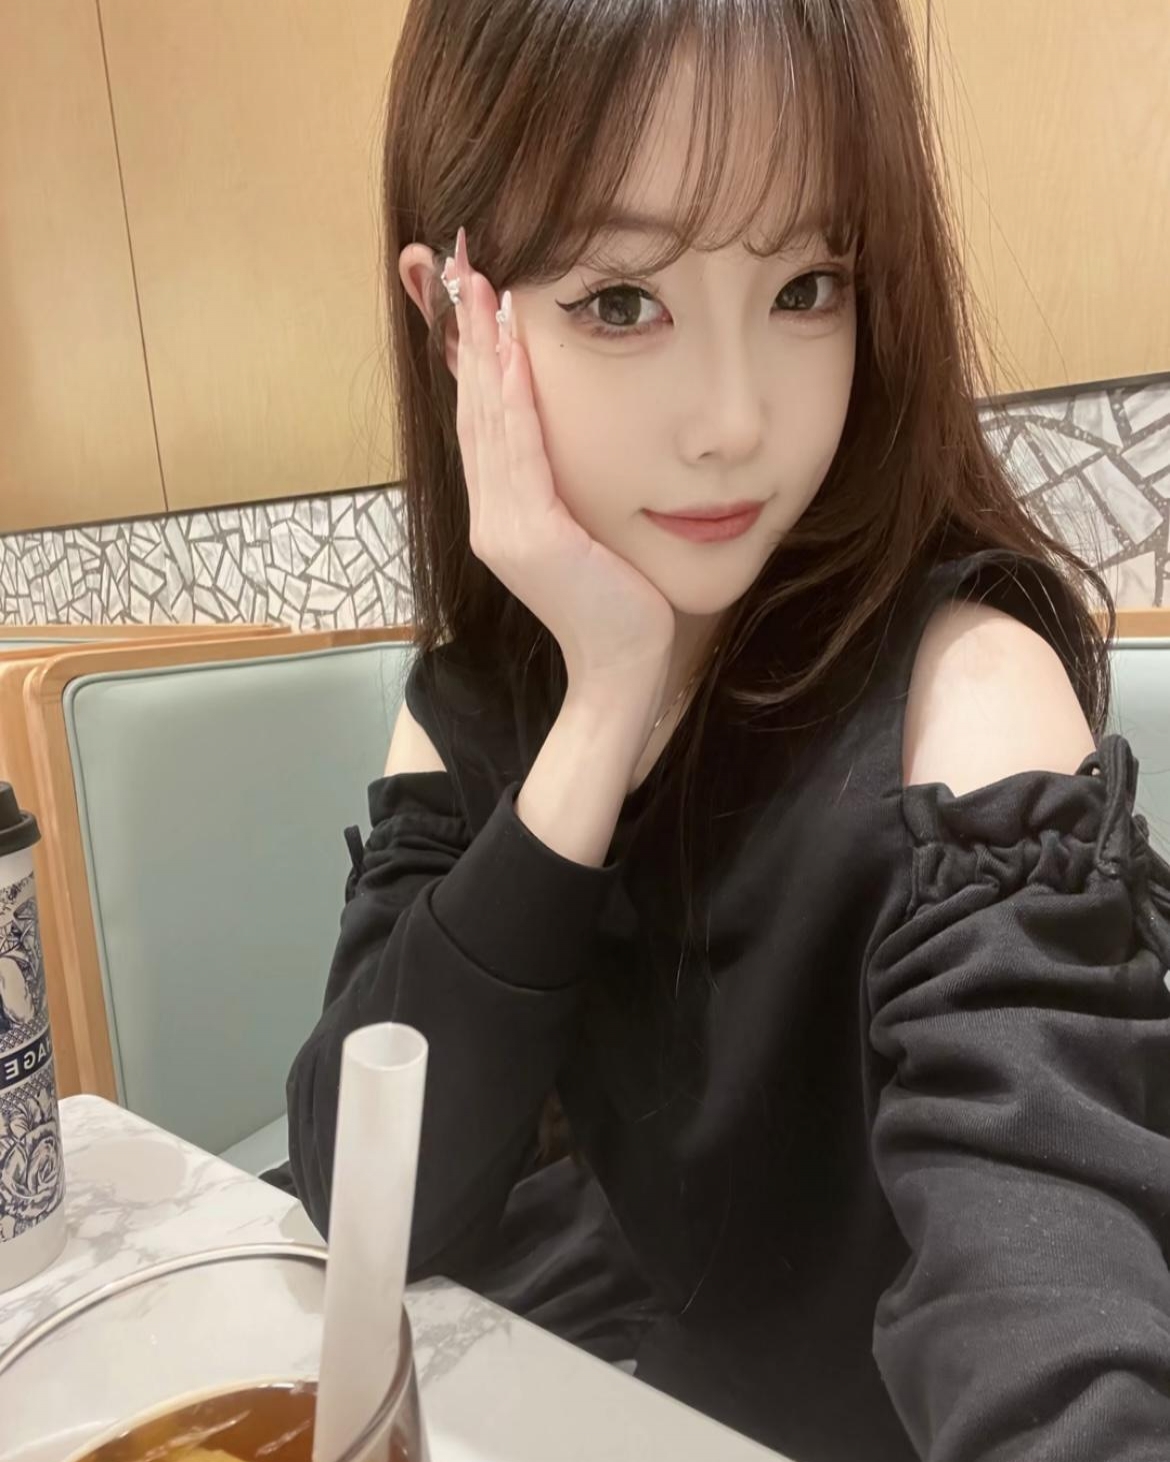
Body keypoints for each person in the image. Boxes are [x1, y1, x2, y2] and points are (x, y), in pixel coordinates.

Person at [285, 2, 1170, 1458]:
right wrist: (606, 697)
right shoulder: (477, 702)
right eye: (620, 301)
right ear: (455, 319)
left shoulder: (965, 701)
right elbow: (373, 1201)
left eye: (806, 285)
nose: (734, 420)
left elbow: (1056, 1310)